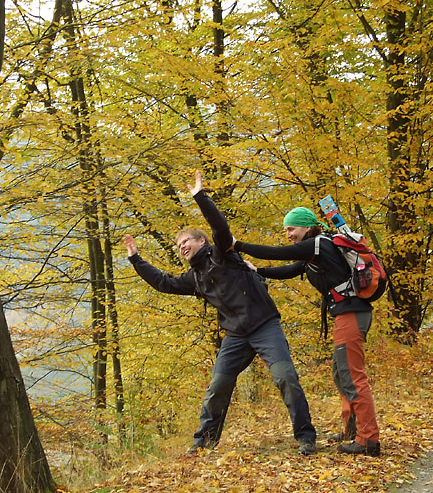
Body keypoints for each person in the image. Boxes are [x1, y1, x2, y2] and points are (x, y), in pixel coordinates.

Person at [123, 172, 317, 456]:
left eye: (186, 241)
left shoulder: (222, 254)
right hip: (236, 335)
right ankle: (204, 442)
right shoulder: (195, 278)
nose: (182, 247)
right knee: (218, 386)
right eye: (178, 247)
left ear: (201, 241)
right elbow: (163, 283)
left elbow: (220, 227)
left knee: (285, 377)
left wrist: (200, 197)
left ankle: (306, 437)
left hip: (264, 325)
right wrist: (136, 259)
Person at [233, 206, 381, 457]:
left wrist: (238, 245)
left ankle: (368, 440)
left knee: (352, 377)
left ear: (306, 226)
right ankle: (351, 430)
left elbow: (279, 254)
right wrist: (258, 271)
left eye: (291, 228)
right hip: (346, 315)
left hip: (351, 314)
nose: (288, 234)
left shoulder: (318, 245)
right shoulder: (314, 253)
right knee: (340, 373)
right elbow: (290, 270)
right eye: (286, 230)